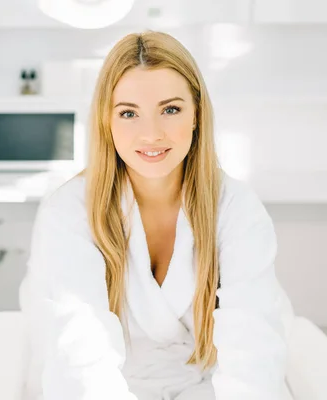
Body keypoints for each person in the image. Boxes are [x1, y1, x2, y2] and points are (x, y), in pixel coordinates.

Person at [19, 31, 294, 400]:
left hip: (207, 386)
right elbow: (81, 358)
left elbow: (252, 351)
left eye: (170, 109)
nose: (151, 134)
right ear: (107, 122)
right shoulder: (69, 211)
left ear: (196, 114)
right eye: (129, 113)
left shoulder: (237, 208)